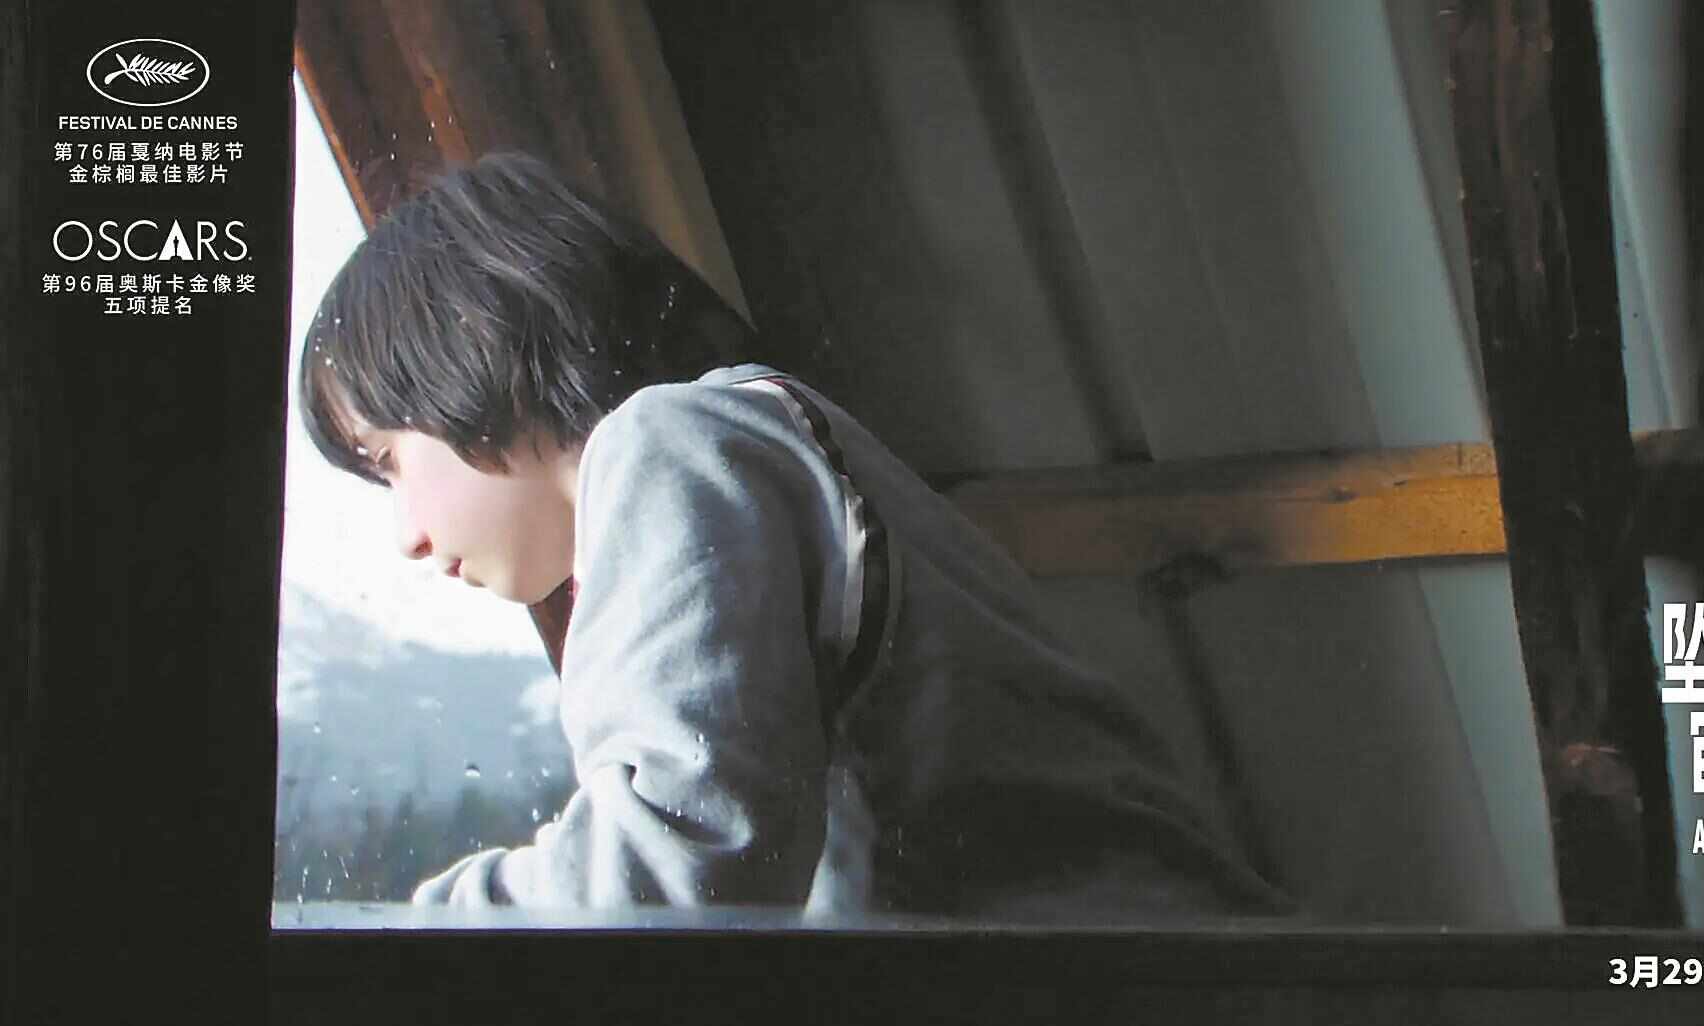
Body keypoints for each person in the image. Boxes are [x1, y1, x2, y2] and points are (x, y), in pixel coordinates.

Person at [298, 152, 1292, 920]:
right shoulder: (751, 439)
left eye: (388, 462)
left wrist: (422, 921)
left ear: (470, 353)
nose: (407, 537)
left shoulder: (669, 443)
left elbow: (679, 862)